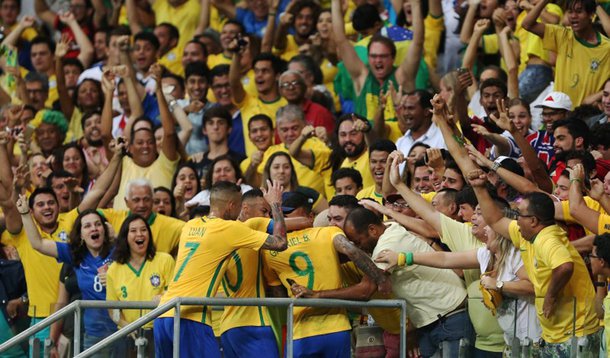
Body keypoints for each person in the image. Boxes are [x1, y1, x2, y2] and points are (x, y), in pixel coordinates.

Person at [470, 169, 601, 354]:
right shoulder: (527, 235)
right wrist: (480, 188)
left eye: (520, 215)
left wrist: (550, 296)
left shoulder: (548, 239)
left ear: (533, 220)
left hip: (576, 334)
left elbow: (564, 266)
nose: (516, 219)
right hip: (556, 333)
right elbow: (495, 219)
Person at [153, 180, 289, 358]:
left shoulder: (189, 227)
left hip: (163, 314)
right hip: (191, 317)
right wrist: (275, 205)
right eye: (239, 206)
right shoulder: (229, 229)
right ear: (231, 205)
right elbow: (280, 242)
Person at [375, 223, 541, 353]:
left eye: (490, 226)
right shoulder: (485, 254)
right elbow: (446, 259)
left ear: (501, 231)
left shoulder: (515, 254)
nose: (485, 230)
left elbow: (532, 287)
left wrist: (499, 285)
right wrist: (404, 257)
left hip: (534, 339)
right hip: (512, 339)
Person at [263, 191, 391, 357]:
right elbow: (351, 252)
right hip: (337, 326)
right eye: (282, 214)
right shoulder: (327, 234)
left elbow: (365, 288)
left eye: (338, 219)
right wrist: (380, 278)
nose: (332, 224)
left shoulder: (270, 250)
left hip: (311, 331)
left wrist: (316, 295)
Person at [342, 206, 473, 357]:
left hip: (450, 316)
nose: (358, 248)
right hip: (430, 321)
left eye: (358, 242)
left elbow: (366, 289)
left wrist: (318, 295)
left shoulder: (387, 246)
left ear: (372, 230)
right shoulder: (392, 228)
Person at [17, 201, 117, 353]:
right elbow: (38, 244)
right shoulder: (76, 254)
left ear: (104, 229)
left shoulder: (119, 252)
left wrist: (113, 277)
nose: (94, 228)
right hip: (93, 334)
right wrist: (25, 214)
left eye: (98, 224)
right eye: (87, 226)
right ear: (81, 234)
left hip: (123, 328)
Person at [106, 214, 176, 356]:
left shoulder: (165, 260)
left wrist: (163, 297)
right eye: (133, 231)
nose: (139, 234)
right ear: (125, 237)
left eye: (144, 230)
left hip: (158, 332)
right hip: (127, 334)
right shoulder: (114, 269)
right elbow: (112, 309)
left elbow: (175, 294)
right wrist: (128, 327)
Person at [522, 0, 610, 106]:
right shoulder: (562, 35)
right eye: (570, 11)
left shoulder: (606, 48)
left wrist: (599, 95)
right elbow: (527, 24)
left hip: (587, 116)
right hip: (561, 113)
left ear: (591, 15)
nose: (573, 16)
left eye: (578, 11)